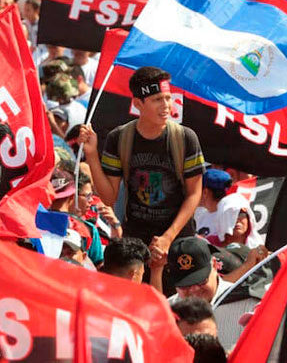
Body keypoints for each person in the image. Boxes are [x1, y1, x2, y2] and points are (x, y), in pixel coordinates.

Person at [78, 67, 205, 264]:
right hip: (137, 242)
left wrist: (168, 237)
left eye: (168, 98)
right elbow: (109, 198)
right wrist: (92, 155)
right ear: (138, 103)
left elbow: (194, 194)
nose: (166, 106)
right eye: (157, 100)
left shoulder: (185, 138)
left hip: (179, 241)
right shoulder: (119, 138)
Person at [195, 169, 263, 249]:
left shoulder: (236, 205)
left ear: (205, 192)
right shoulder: (199, 215)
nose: (236, 219)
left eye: (241, 214)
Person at [166, 237, 233, 305]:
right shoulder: (168, 310)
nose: (194, 289)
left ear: (214, 265)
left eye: (201, 281)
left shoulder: (239, 300)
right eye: (185, 285)